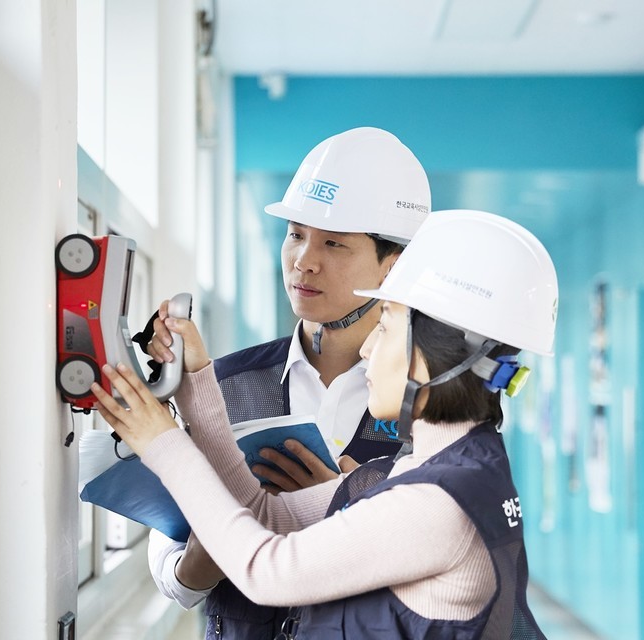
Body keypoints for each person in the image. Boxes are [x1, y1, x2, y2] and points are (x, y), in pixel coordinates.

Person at [92, 210, 557, 639]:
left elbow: (263, 569)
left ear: (434, 356)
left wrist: (163, 444)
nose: (370, 348)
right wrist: (197, 383)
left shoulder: (436, 503)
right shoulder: (441, 468)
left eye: (388, 325)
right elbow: (264, 514)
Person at [143, 126, 431, 638]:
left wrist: (344, 508)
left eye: (334, 243)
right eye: (296, 234)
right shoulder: (221, 384)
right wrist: (210, 546)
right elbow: (177, 582)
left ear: (395, 264)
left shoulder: (428, 403)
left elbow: (444, 571)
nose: (304, 260)